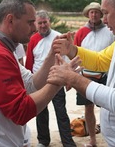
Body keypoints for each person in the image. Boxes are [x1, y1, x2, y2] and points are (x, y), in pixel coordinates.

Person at [0, 0, 81, 147]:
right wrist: (59, 81)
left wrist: (52, 54)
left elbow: (31, 84)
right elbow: (20, 112)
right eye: (30, 22)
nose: (35, 28)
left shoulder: (2, 48)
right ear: (10, 20)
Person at [49, 0, 115, 146]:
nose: (104, 20)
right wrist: (71, 49)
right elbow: (100, 60)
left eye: (106, 13)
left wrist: (73, 78)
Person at [25, 10, 76, 147]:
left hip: (57, 79)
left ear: (49, 22)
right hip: (38, 81)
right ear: (36, 23)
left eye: (45, 22)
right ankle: (43, 140)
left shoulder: (59, 37)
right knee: (40, 112)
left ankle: (67, 142)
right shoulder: (33, 39)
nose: (42, 25)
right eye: (40, 23)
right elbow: (29, 62)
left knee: (61, 112)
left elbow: (66, 59)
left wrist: (67, 79)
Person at [73, 2, 115, 147]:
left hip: (105, 76)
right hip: (85, 76)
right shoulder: (81, 33)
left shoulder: (110, 32)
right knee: (88, 108)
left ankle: (109, 137)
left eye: (97, 12)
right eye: (91, 12)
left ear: (101, 14)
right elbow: (73, 54)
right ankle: (92, 139)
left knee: (108, 107)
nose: (94, 14)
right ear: (87, 14)